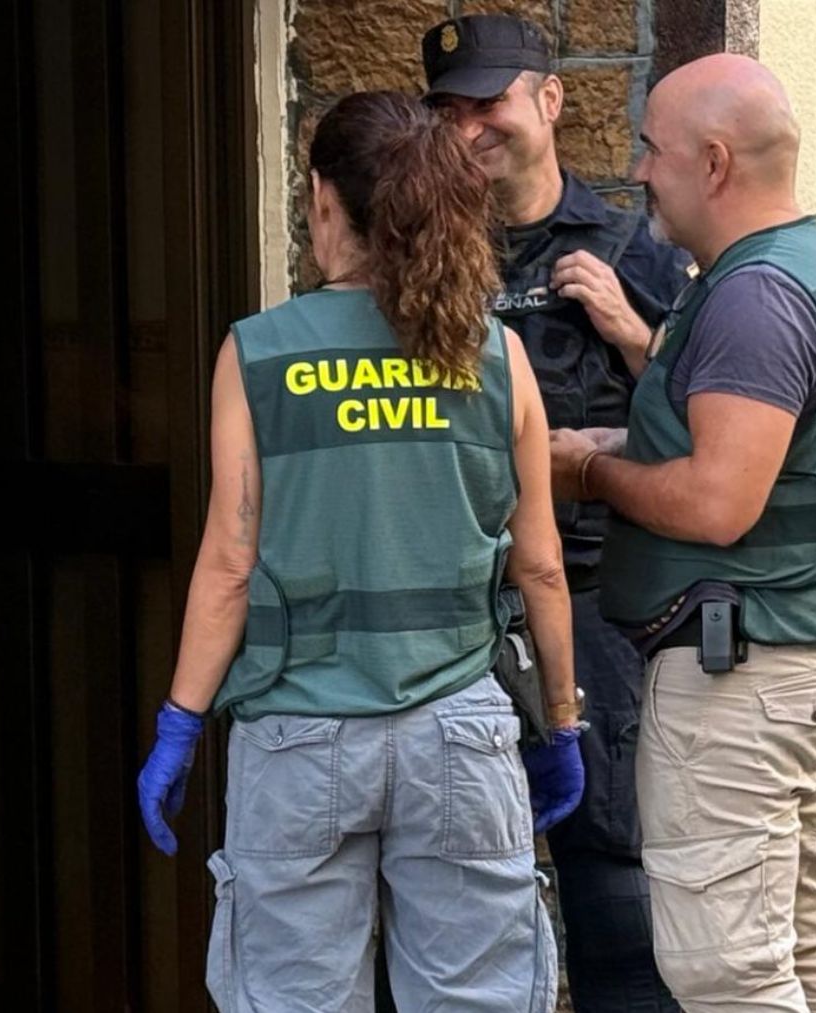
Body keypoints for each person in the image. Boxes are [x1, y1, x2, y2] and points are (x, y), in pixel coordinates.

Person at [136, 90, 585, 1012]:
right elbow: (539, 564)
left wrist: (180, 723)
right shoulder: (493, 355)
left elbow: (229, 557)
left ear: (325, 200)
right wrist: (561, 721)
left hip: (301, 737)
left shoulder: (259, 354)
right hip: (460, 734)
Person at [549, 54, 816, 1013]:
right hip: (794, 664)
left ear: (715, 163)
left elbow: (717, 502)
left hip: (742, 681)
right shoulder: (797, 270)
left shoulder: (752, 297)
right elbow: (741, 439)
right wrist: (626, 432)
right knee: (804, 947)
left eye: (653, 149)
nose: (640, 171)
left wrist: (590, 470)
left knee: (726, 973)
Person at [421, 15, 688, 1011]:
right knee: (449, 908)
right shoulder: (423, 259)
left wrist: (627, 329)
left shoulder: (633, 249)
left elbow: (718, 429)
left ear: (549, 100)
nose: (468, 130)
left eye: (487, 103)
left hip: (593, 619)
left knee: (614, 888)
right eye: (446, 112)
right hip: (456, 624)